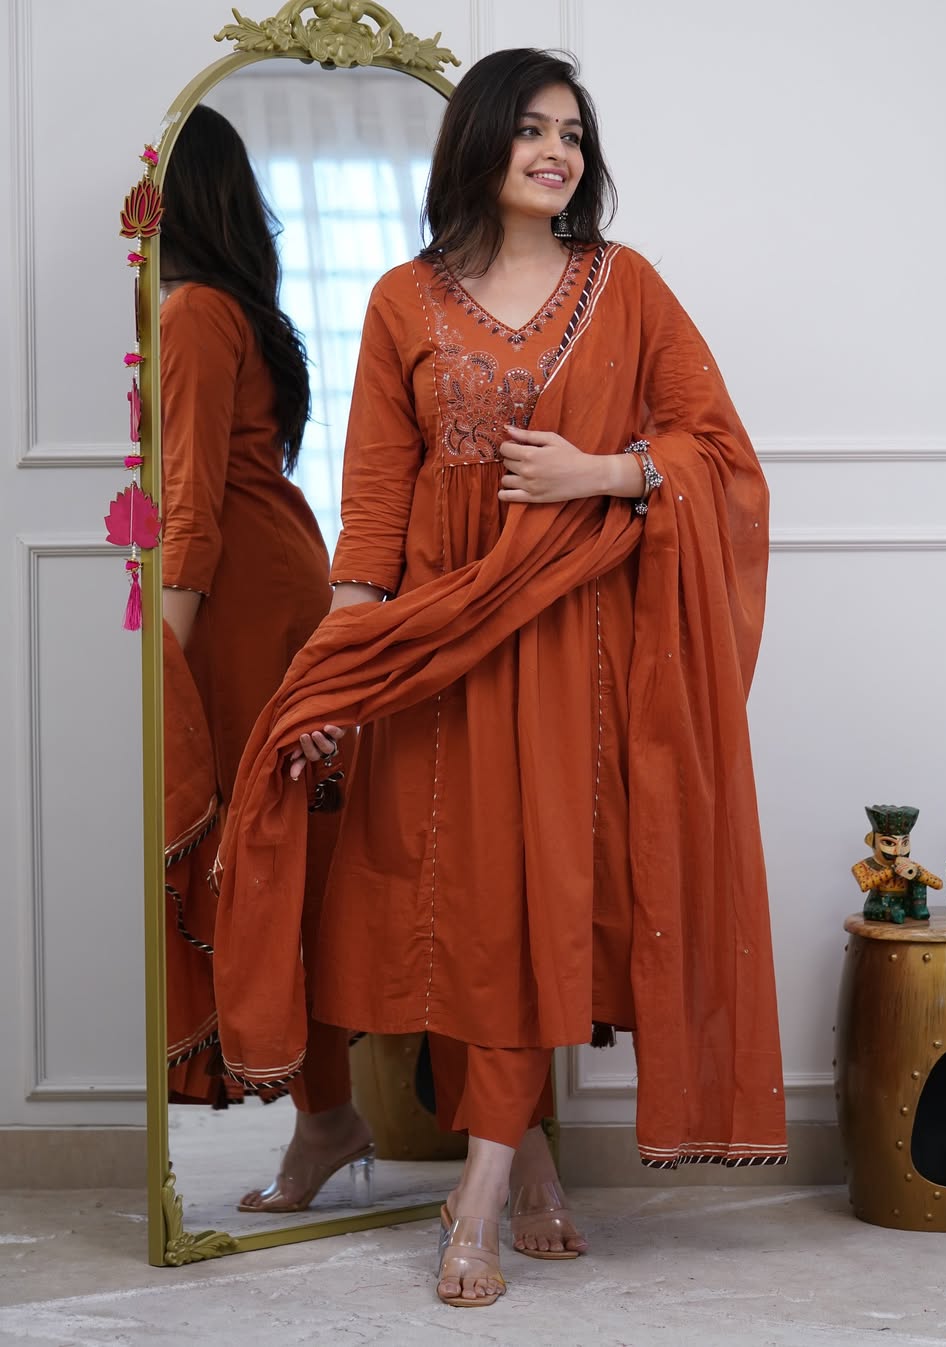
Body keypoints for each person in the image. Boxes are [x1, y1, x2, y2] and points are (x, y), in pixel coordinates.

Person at [213, 49, 787, 1307]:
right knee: (464, 914)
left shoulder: (626, 286)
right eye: (531, 129)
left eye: (572, 134)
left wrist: (603, 472)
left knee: (532, 907)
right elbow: (373, 505)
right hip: (437, 652)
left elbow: (720, 455)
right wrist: (340, 670)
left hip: (572, 649)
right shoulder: (400, 301)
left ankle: (470, 1200)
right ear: (477, 141)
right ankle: (526, 1161)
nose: (556, 153)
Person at [158, 103, 371, 1210]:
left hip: (237, 606)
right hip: (275, 583)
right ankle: (326, 1116)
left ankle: (327, 1117)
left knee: (269, 862)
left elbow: (188, 505)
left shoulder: (194, 312)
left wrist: (163, 659)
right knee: (291, 861)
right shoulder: (239, 311)